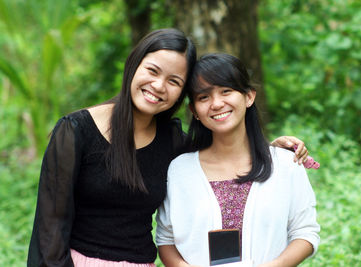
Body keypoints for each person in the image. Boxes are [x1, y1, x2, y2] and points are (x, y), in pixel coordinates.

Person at [27, 28, 310, 267]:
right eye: (152, 71)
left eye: (174, 81)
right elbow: (49, 231)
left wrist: (272, 149)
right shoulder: (76, 130)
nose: (159, 86)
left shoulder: (173, 140)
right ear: (133, 65)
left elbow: (221, 152)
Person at [156, 53, 320, 267]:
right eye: (203, 97)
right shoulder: (179, 169)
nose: (216, 103)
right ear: (194, 110)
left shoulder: (285, 164)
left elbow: (306, 232)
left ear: (249, 97)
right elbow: (166, 240)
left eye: (226, 91)